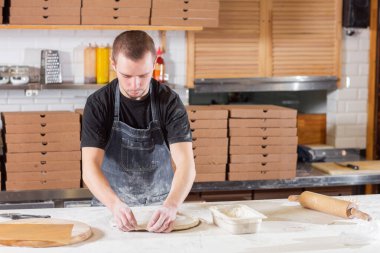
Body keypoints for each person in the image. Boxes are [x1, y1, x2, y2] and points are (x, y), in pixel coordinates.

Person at [81, 30, 196, 233]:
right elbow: (89, 168)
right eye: (127, 76)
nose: (135, 85)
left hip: (160, 209)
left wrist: (172, 205)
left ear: (153, 65)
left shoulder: (170, 102)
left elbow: (186, 164)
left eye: (143, 75)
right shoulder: (99, 104)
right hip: (110, 208)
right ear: (113, 65)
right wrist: (114, 204)